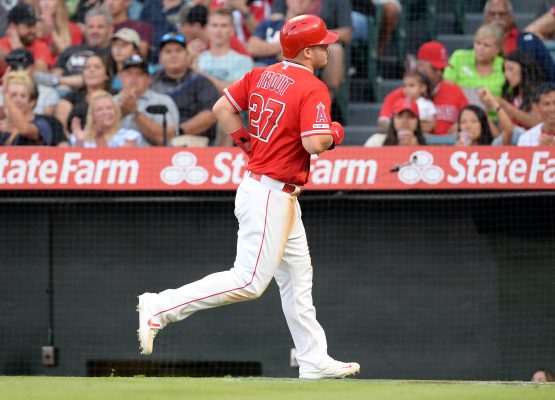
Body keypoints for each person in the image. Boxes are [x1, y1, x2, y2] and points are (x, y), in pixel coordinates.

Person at [137, 14, 360, 380]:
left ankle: (313, 359)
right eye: (322, 43)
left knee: (298, 280)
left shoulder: (261, 73)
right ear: (307, 52)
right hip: (270, 194)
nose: (328, 47)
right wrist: (335, 132)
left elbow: (222, 109)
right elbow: (314, 142)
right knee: (249, 282)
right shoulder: (313, 86)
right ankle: (159, 306)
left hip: (273, 191)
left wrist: (244, 142)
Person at [378, 41, 469, 135]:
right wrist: (408, 126)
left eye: (443, 69)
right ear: (419, 66)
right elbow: (382, 124)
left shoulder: (455, 91)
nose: (440, 74)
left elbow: (472, 119)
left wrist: (460, 127)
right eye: (435, 68)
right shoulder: (399, 95)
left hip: (446, 147)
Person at [151, 33, 220, 145]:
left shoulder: (201, 81)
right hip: (154, 139)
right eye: (168, 51)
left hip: (193, 139)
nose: (174, 55)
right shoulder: (151, 81)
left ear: (187, 55)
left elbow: (210, 115)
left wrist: (177, 132)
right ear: (160, 57)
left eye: (178, 50)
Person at [116, 54, 180, 146]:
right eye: (129, 73)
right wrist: (120, 112)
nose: (134, 78)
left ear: (149, 79)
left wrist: (135, 113)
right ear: (121, 77)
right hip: (114, 158)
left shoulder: (163, 101)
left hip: (153, 158)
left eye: (140, 74)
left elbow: (165, 139)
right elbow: (94, 135)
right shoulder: (109, 102)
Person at [0, 71, 66, 146]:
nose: (18, 100)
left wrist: (6, 96)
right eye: (13, 95)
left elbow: (25, 130)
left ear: (32, 102)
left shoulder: (47, 122)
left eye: (23, 96)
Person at [195, 8, 254, 92]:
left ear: (232, 30)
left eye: (224, 25)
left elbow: (233, 93)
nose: (218, 30)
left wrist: (200, 74)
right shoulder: (197, 58)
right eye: (214, 25)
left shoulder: (243, 61)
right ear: (207, 29)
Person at [443, 23, 506, 102]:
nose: (480, 48)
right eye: (478, 43)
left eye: (486, 45)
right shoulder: (459, 57)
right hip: (461, 109)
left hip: (493, 112)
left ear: (497, 50)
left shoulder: (503, 65)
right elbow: (447, 87)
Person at [55, 54, 112, 134]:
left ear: (107, 75)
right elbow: (61, 130)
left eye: (97, 67)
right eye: (87, 67)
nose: (91, 70)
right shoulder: (71, 97)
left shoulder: (114, 96)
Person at [246, 0, 313, 67]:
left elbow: (303, 62)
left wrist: (265, 49)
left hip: (288, 72)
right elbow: (251, 48)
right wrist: (285, 47)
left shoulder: (311, 31)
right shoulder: (270, 23)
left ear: (311, 4)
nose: (300, 1)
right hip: (260, 69)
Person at [69, 90, 141, 147]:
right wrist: (80, 142)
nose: (105, 112)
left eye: (109, 108)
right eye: (99, 109)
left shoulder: (129, 136)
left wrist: (100, 138)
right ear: (92, 115)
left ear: (116, 112)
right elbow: (75, 162)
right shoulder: (78, 137)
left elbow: (121, 161)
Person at [0, 48, 59, 117]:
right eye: (14, 69)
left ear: (33, 68)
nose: (19, 73)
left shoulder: (48, 93)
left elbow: (44, 123)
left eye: (22, 69)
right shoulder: (1, 90)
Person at [0, 3, 54, 74]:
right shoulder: (1, 46)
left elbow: (41, 73)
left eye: (34, 25)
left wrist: (19, 51)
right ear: (13, 27)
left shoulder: (41, 46)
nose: (33, 30)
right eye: (28, 26)